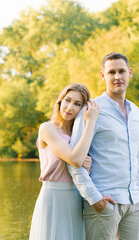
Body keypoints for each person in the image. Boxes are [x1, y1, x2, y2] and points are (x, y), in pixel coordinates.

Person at [68, 52, 139, 240]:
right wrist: (94, 198)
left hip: (134, 203)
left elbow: (136, 153)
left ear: (130, 73)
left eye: (121, 71)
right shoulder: (91, 110)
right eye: (111, 72)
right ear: (103, 75)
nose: (117, 77)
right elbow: (74, 160)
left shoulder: (135, 110)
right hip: (104, 203)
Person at [29, 83, 99, 240]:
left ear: (83, 108)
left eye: (77, 104)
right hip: (53, 196)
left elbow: (84, 160)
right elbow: (75, 159)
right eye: (67, 100)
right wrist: (91, 122)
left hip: (75, 196)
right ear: (60, 101)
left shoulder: (79, 133)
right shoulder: (47, 128)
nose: (70, 107)